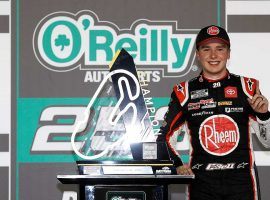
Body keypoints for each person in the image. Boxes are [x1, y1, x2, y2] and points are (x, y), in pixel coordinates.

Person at [157, 25, 270, 200]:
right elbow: (163, 137)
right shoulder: (184, 91)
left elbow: (268, 141)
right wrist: (177, 164)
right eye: (206, 49)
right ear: (197, 54)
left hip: (241, 183)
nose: (213, 56)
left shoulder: (248, 87)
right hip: (202, 184)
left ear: (229, 53)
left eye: (220, 49)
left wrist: (264, 115)